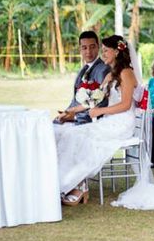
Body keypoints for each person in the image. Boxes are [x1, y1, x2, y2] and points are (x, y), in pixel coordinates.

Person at [54, 35, 137, 205]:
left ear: (116, 51)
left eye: (106, 50)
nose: (103, 54)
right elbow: (93, 100)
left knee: (82, 138)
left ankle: (79, 186)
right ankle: (73, 185)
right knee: (73, 135)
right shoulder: (111, 74)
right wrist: (71, 111)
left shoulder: (126, 73)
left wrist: (100, 111)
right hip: (109, 120)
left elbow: (126, 105)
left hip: (121, 122)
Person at [55, 30, 110, 125]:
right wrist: (66, 112)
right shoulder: (83, 69)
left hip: (89, 121)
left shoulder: (103, 70)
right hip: (75, 116)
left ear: (98, 47)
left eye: (92, 47)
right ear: (80, 49)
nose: (88, 51)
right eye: (84, 48)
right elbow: (75, 100)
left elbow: (101, 102)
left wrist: (75, 117)